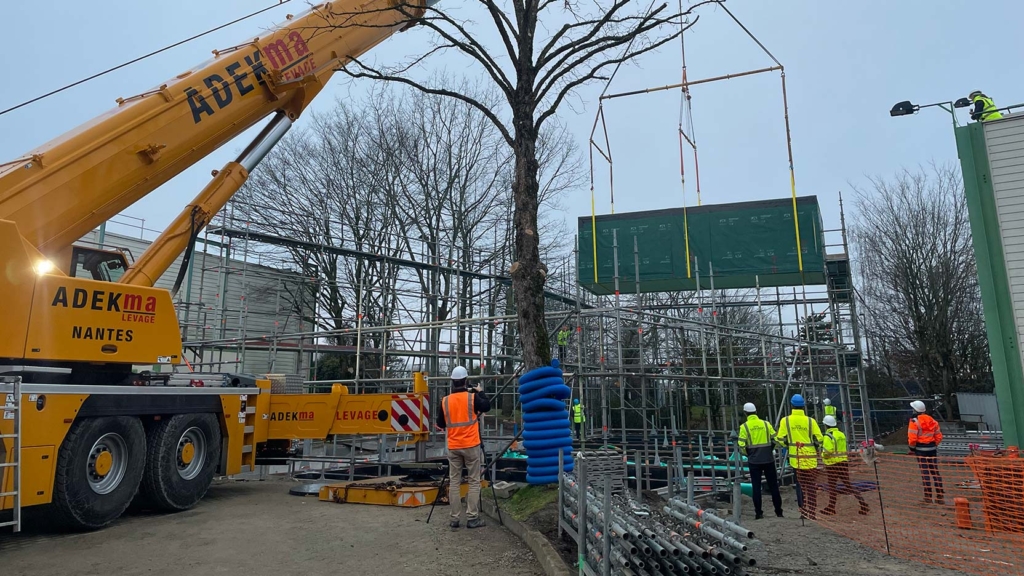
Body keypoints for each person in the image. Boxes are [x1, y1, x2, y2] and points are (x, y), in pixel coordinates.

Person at [437, 365, 491, 529]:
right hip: (471, 445)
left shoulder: (445, 401)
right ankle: (472, 517)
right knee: (474, 481)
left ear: (452, 382)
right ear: (466, 381)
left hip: (453, 447)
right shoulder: (472, 398)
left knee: (454, 482)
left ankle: (454, 519)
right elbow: (487, 406)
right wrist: (479, 391)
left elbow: (440, 423)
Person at [776, 393, 823, 520]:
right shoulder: (810, 421)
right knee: (811, 485)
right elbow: (820, 439)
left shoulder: (785, 421)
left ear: (791, 405)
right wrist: (815, 446)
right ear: (803, 406)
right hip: (811, 458)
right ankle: (812, 511)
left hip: (796, 458)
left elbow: (779, 438)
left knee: (800, 484)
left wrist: (786, 444)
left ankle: (803, 511)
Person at [737, 402, 783, 520]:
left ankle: (759, 513)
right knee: (773, 486)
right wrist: (769, 450)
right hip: (768, 459)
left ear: (746, 413)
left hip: (754, 461)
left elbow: (741, 445)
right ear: (756, 412)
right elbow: (776, 440)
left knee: (756, 487)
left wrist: (748, 454)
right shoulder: (766, 424)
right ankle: (779, 512)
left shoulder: (744, 427)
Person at [821, 415, 869, 516]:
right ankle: (863, 504)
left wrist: (822, 455)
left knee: (832, 487)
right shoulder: (841, 434)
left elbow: (828, 451)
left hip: (832, 464)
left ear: (825, 425)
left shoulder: (828, 436)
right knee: (848, 485)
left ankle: (831, 507)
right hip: (843, 462)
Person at [908, 400, 945, 505]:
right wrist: (933, 445)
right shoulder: (932, 421)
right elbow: (938, 436)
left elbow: (912, 438)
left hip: (921, 450)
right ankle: (940, 496)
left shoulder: (914, 422)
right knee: (935, 472)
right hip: (932, 449)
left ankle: (928, 497)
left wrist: (912, 448)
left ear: (915, 410)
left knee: (925, 473)